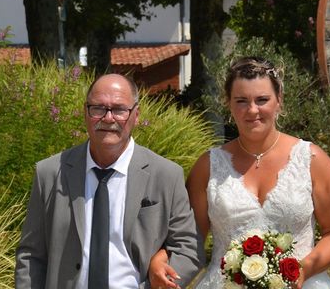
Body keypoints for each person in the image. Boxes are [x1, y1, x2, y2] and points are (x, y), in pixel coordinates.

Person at [150, 56, 330, 289]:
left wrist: (301, 270)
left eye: (262, 99)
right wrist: (162, 256)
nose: (252, 110)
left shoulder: (311, 160)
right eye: (241, 101)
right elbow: (189, 238)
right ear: (228, 103)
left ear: (279, 101)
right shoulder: (208, 166)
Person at [15, 73, 202, 289]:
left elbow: (189, 248)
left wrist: (162, 279)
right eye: (98, 108)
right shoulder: (50, 173)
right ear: (86, 112)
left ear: (136, 114)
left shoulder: (166, 175)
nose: (108, 118)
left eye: (119, 109)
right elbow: (31, 255)